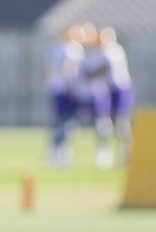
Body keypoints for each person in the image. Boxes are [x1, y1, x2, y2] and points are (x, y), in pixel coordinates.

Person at [45, 25, 84, 167]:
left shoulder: (57, 47)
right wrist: (69, 85)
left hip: (59, 87)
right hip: (67, 89)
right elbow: (68, 67)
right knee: (67, 121)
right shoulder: (69, 48)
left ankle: (57, 149)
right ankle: (59, 150)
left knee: (62, 121)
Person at [78, 24, 115, 169]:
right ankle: (62, 150)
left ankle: (104, 149)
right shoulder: (83, 52)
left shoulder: (104, 51)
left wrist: (90, 74)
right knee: (71, 121)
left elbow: (104, 69)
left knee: (102, 122)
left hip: (99, 92)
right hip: (83, 93)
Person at [101, 27, 134, 164]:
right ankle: (124, 150)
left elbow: (105, 68)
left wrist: (88, 74)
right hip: (114, 89)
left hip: (121, 89)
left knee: (121, 122)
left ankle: (128, 151)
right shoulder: (110, 50)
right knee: (115, 122)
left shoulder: (113, 50)